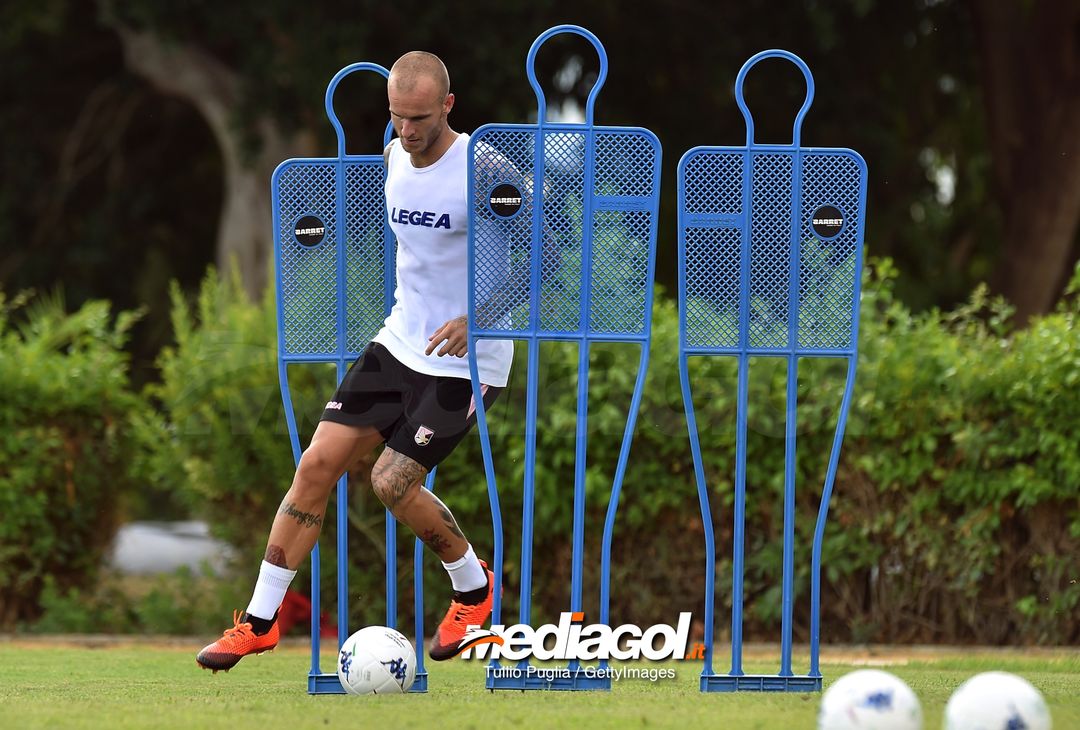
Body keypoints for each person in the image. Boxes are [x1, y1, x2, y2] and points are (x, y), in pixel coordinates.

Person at [196, 50, 514, 672]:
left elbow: (543, 255)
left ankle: (475, 591)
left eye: (420, 117)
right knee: (315, 465)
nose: (408, 131)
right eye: (398, 117)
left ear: (448, 106)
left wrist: (479, 317)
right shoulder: (393, 155)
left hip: (468, 360)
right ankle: (259, 623)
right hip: (400, 344)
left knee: (392, 481)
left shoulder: (484, 167)